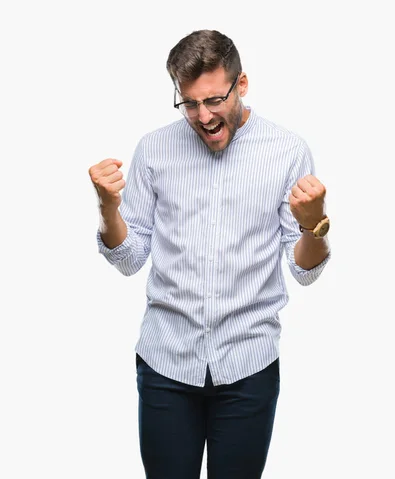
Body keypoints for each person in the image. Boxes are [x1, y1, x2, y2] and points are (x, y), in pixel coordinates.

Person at [89, 29, 331, 478]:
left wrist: (313, 222)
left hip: (249, 365)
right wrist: (108, 208)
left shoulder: (287, 151)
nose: (204, 116)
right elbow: (129, 257)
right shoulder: (154, 149)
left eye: (215, 100)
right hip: (166, 364)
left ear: (241, 85)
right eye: (190, 103)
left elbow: (303, 270)